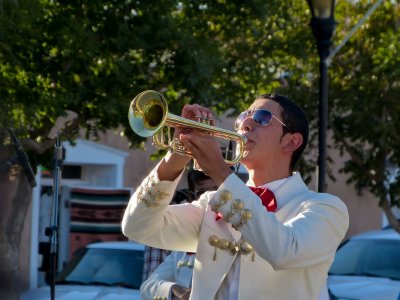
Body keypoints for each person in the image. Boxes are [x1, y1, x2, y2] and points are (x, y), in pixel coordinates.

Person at [122, 94, 349, 300]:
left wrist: (220, 172)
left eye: (262, 117)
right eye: (244, 116)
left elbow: (283, 252)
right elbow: (137, 227)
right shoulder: (212, 203)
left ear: (291, 142)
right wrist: (177, 154)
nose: (245, 123)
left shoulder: (326, 208)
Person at [141, 169, 217, 282]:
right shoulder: (169, 229)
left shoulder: (241, 229)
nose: (212, 198)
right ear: (192, 197)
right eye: (203, 193)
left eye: (218, 191)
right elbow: (151, 284)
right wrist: (174, 290)